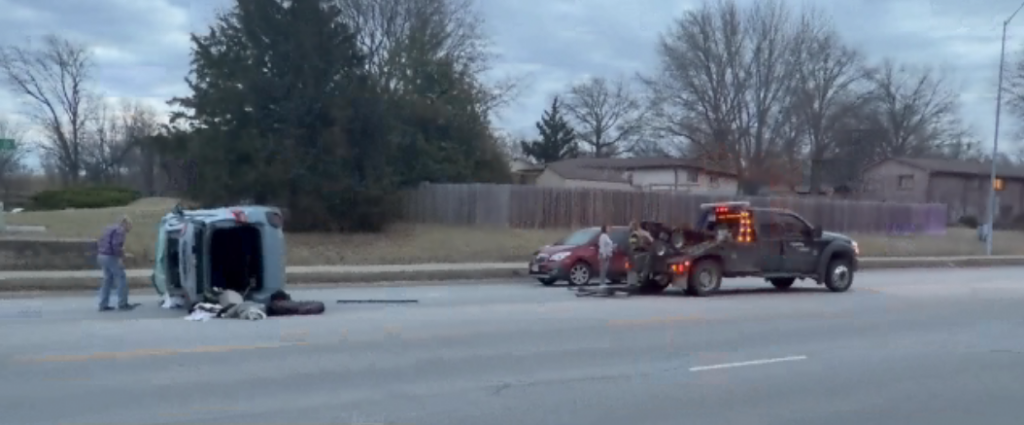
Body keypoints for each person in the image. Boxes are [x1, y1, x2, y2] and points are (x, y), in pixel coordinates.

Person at [96, 215, 138, 312]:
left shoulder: (108, 228)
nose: (130, 228)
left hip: (101, 255)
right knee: (121, 278)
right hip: (111, 256)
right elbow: (116, 245)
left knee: (107, 280)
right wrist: (120, 257)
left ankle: (103, 304)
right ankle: (123, 303)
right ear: (125, 223)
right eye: (130, 225)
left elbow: (102, 242)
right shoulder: (120, 231)